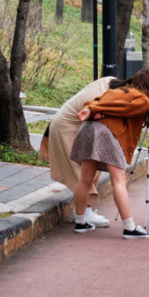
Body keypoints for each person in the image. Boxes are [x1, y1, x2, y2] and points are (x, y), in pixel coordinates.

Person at [70, 70, 149, 239]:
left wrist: (92, 109)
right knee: (119, 180)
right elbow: (125, 108)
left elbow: (92, 102)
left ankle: (81, 221)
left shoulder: (116, 91)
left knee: (85, 179)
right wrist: (96, 109)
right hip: (107, 132)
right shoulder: (144, 99)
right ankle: (129, 227)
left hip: (88, 129)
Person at [39, 76, 117, 228]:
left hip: (76, 125)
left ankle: (84, 214)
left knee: (91, 167)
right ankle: (82, 216)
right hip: (66, 127)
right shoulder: (109, 95)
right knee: (81, 174)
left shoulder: (109, 82)